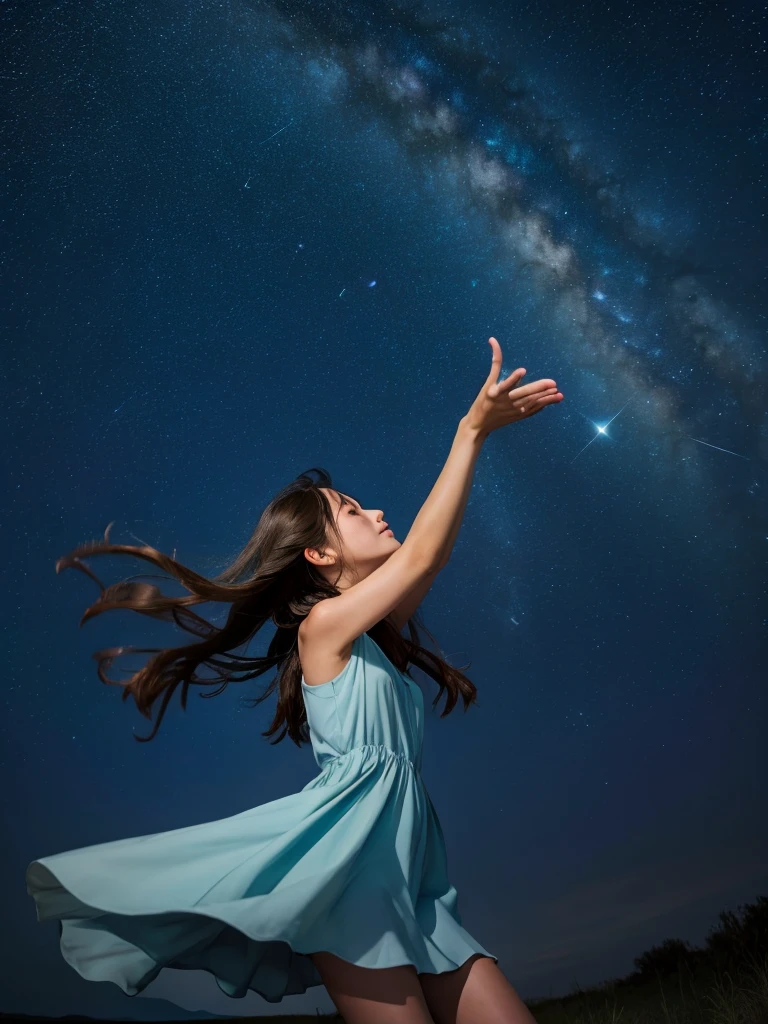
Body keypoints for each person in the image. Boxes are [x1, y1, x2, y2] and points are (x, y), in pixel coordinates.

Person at [26, 337, 563, 1023]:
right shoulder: (324, 628)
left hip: (417, 882)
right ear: (317, 553)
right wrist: (469, 431)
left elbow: (427, 560)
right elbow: (423, 549)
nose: (375, 513)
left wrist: (478, 439)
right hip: (347, 877)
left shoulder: (373, 632)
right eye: (351, 511)